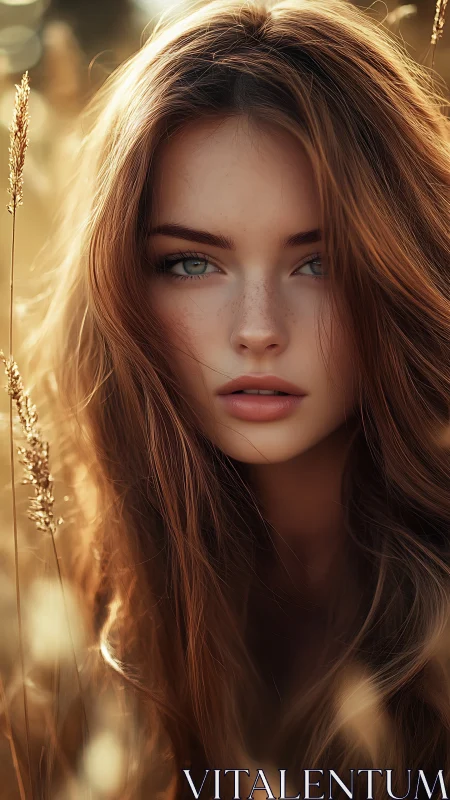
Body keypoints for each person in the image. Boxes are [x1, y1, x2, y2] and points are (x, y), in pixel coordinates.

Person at [13, 0, 450, 796]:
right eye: (191, 264)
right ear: (120, 292)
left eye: (318, 263)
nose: (258, 330)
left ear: (401, 272)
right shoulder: (70, 636)